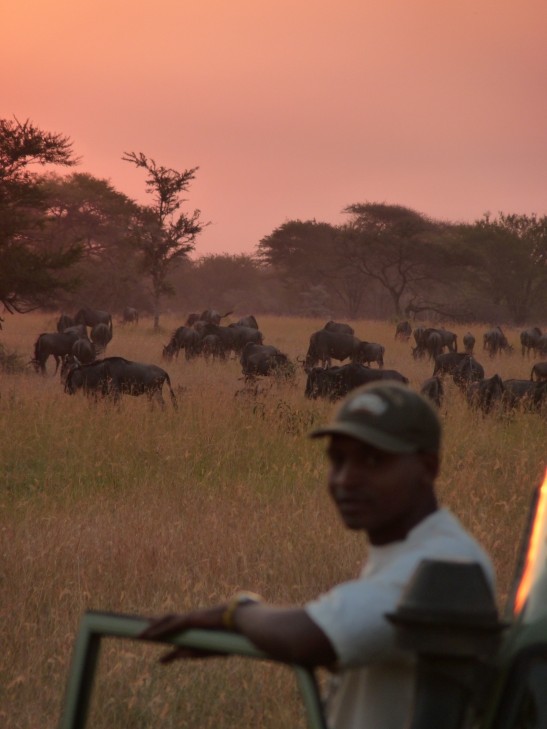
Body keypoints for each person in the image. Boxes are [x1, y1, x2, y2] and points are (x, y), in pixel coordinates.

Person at [140, 381, 495, 729]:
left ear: (427, 468)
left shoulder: (445, 563)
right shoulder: (409, 547)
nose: (346, 479)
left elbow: (310, 637)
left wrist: (235, 613)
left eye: (374, 460)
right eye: (337, 460)